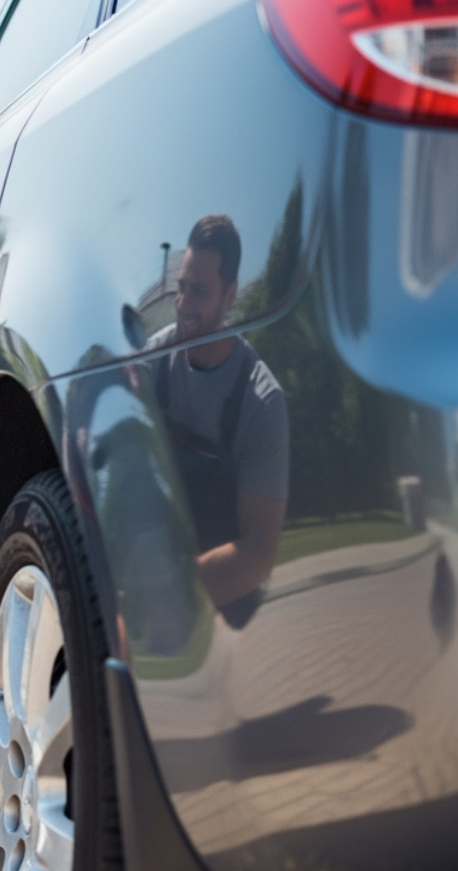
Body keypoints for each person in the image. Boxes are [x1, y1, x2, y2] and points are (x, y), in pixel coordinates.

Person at [148, 214, 289, 627]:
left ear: (230, 296)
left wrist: (168, 600)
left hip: (226, 607)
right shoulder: (154, 362)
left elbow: (260, 553)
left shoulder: (261, 402)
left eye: (201, 292)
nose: (183, 306)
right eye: (182, 289)